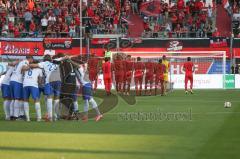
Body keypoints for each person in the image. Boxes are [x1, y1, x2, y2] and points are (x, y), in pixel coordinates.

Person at [29, 55, 56, 121]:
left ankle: (45, 117)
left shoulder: (42, 64)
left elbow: (34, 66)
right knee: (48, 98)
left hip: (42, 83)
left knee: (43, 98)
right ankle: (51, 115)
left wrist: (28, 64)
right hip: (51, 82)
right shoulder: (53, 65)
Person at [10, 56, 34, 120]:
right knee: (17, 98)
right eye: (32, 60)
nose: (32, 61)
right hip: (17, 81)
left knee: (15, 99)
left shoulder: (20, 61)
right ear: (30, 59)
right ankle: (16, 116)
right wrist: (32, 66)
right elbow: (24, 68)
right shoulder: (25, 61)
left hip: (12, 80)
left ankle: (13, 115)